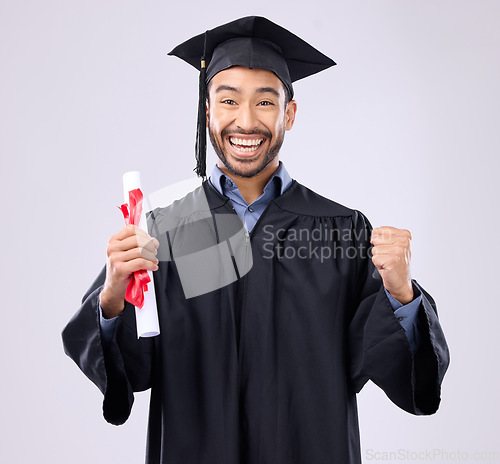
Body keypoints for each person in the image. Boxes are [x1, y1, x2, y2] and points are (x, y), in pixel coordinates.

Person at [62, 16, 449, 464]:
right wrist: (112, 297)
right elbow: (131, 370)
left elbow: (402, 374)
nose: (245, 120)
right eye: (228, 100)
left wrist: (400, 292)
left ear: (289, 113)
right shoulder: (167, 230)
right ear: (208, 111)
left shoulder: (341, 231)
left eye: (265, 102)